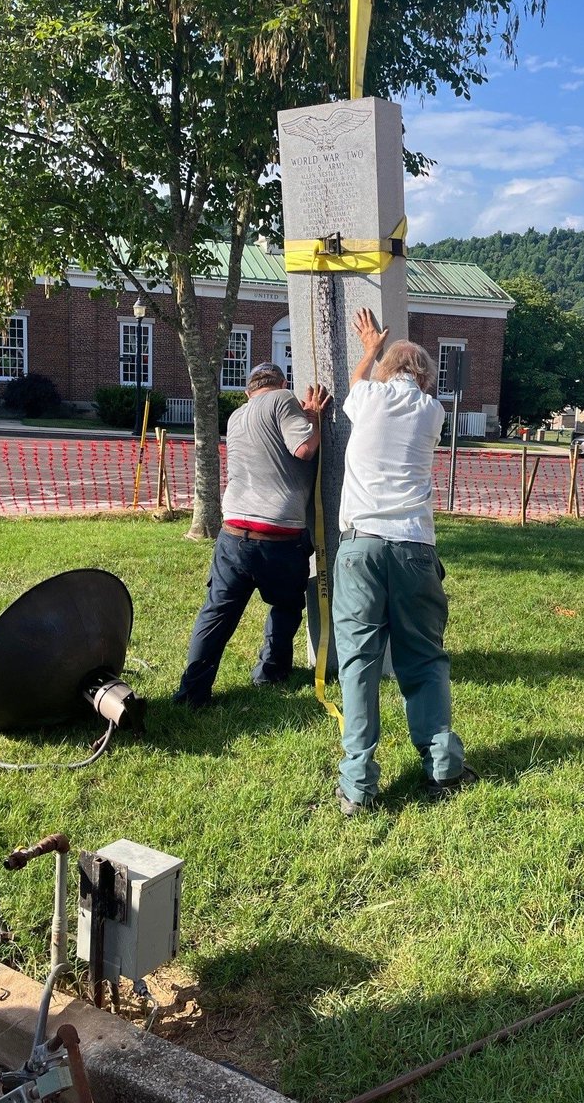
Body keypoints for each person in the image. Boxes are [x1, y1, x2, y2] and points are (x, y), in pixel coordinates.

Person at [331, 308, 477, 815]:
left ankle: (357, 784)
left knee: (358, 663)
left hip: (360, 545)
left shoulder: (368, 396)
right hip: (415, 545)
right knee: (424, 657)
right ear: (426, 379)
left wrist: (370, 349)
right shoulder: (433, 412)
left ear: (386, 371)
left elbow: (356, 383)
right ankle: (443, 766)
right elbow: (401, 387)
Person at [174, 363, 330, 708]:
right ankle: (270, 673)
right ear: (282, 382)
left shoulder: (237, 416)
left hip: (232, 533)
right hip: (278, 535)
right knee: (286, 605)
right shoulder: (282, 398)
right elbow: (304, 449)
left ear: (248, 392)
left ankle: (191, 693)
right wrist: (314, 418)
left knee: (216, 614)